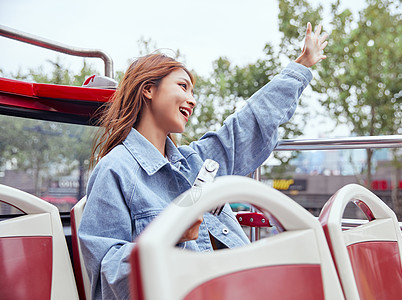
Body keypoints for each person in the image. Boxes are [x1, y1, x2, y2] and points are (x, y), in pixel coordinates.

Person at [79, 22, 328, 300]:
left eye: (193, 92)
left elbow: (249, 124)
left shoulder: (195, 161)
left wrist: (301, 65)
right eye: (183, 87)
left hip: (242, 285)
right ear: (148, 89)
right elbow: (106, 275)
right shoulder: (115, 171)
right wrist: (170, 236)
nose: (192, 100)